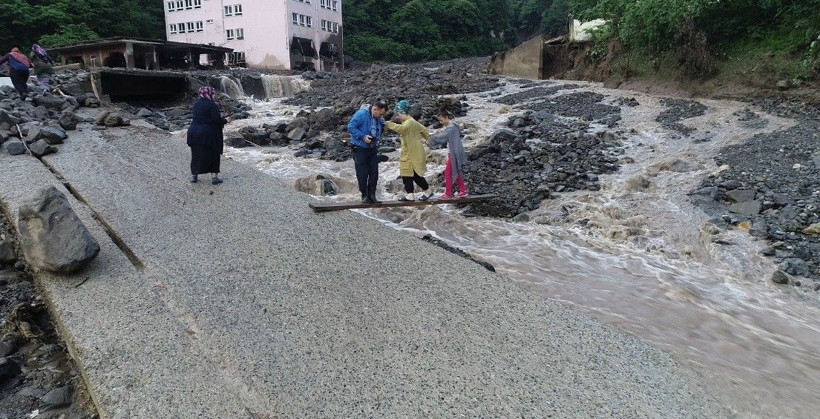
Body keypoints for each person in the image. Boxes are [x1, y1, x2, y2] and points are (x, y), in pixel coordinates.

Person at [385, 100, 433, 201]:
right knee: (406, 173)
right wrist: (427, 139)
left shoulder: (409, 123)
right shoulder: (413, 122)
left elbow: (401, 129)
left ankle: (427, 191)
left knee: (415, 174)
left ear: (403, 112)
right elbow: (424, 130)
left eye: (398, 114)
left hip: (413, 152)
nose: (397, 117)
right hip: (411, 151)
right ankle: (410, 194)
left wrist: (388, 123)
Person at [186, 86, 230, 184]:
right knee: (213, 154)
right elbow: (216, 120)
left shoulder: (196, 104)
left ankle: (194, 177)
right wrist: (226, 120)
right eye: (213, 93)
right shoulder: (211, 105)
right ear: (210, 94)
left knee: (196, 155)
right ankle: (214, 178)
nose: (214, 95)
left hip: (193, 132)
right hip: (207, 134)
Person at [347, 99, 388, 203]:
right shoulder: (361, 114)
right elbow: (351, 126)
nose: (381, 116)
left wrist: (380, 132)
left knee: (374, 172)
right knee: (362, 173)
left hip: (372, 147)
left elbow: (381, 128)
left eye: (383, 115)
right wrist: (363, 136)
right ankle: (364, 196)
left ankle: (372, 196)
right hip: (359, 147)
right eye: (380, 114)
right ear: (375, 109)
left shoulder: (379, 118)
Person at [428, 108, 468, 199]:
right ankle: (463, 190)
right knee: (456, 170)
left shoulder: (451, 128)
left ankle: (448, 194)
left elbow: (443, 137)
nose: (441, 122)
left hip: (453, 153)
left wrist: (430, 139)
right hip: (455, 151)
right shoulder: (454, 126)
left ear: (446, 117)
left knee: (448, 172)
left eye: (441, 120)